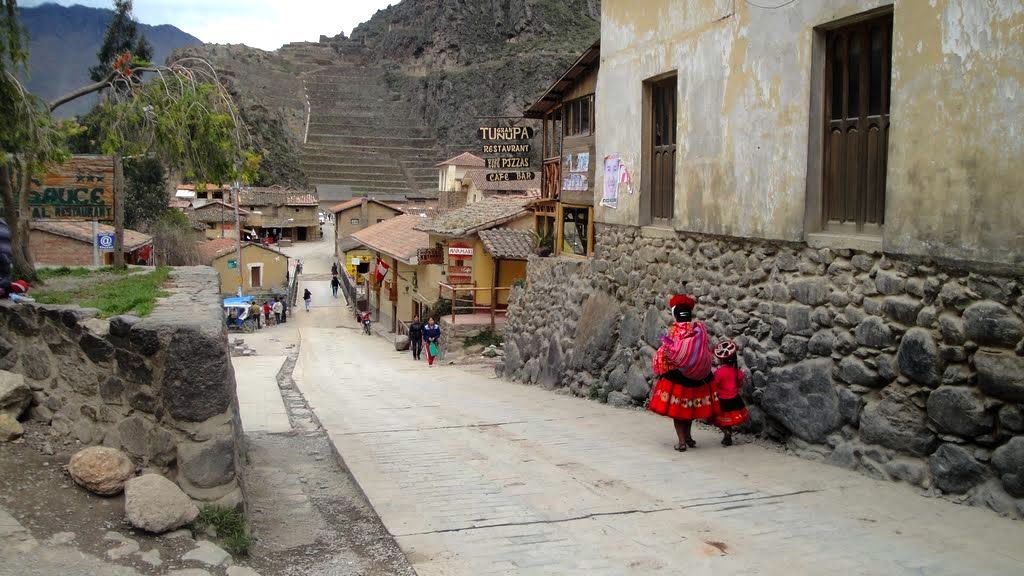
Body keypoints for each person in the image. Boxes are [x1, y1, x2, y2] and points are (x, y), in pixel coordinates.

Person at [648, 294, 714, 452]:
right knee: (689, 408)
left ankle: (682, 441)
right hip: (696, 377)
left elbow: (667, 352)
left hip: (677, 377)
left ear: (675, 314)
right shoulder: (698, 329)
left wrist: (664, 342)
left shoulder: (673, 332)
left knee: (678, 412)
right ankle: (689, 437)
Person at [710, 340, 749, 446]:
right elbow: (739, 384)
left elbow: (714, 385)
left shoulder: (719, 373)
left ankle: (726, 433)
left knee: (720, 420)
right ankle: (728, 435)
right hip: (735, 399)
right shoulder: (738, 372)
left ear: (722, 360)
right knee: (729, 420)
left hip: (722, 400)